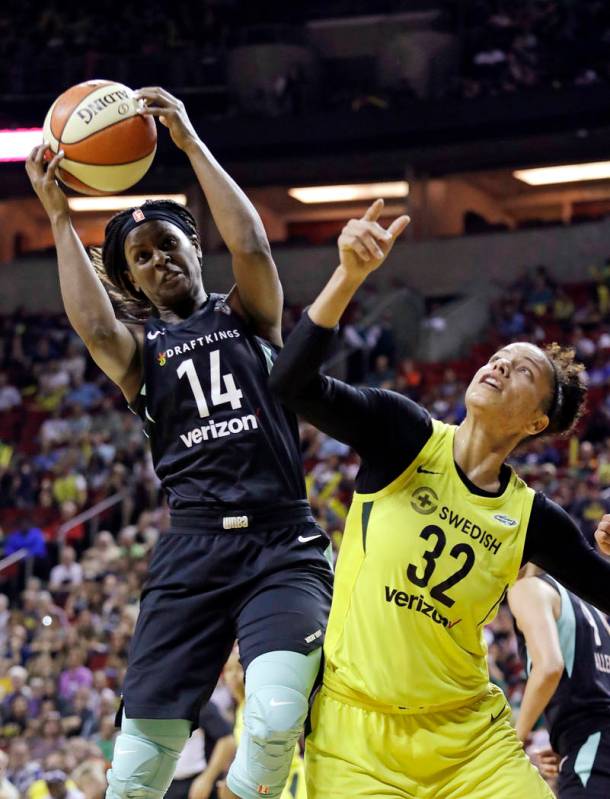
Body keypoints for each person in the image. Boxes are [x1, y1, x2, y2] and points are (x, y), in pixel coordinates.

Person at [26, 86, 333, 799]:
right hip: (192, 552)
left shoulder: (250, 315)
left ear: (194, 248)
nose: (158, 259)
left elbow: (252, 244)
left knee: (275, 716)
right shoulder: (140, 351)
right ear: (130, 277)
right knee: (133, 777)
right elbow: (95, 329)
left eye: (168, 243)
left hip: (282, 543)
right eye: (141, 256)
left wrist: (190, 142)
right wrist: (57, 215)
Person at [268, 198, 610, 799]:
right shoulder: (404, 433)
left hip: (468, 741)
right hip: (357, 734)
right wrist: (348, 275)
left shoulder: (533, 519)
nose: (499, 367)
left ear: (536, 423)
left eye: (522, 372)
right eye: (498, 359)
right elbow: (292, 385)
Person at [509, 566, 610, 797]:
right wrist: (565, 745)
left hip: (592, 747)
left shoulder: (527, 587)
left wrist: (514, 740)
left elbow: (549, 668)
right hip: (591, 744)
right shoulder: (587, 602)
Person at [219, 647, 306, 799]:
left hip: (286, 785)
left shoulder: (261, 706)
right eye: (228, 670)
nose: (233, 676)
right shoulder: (240, 708)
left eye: (238, 669)